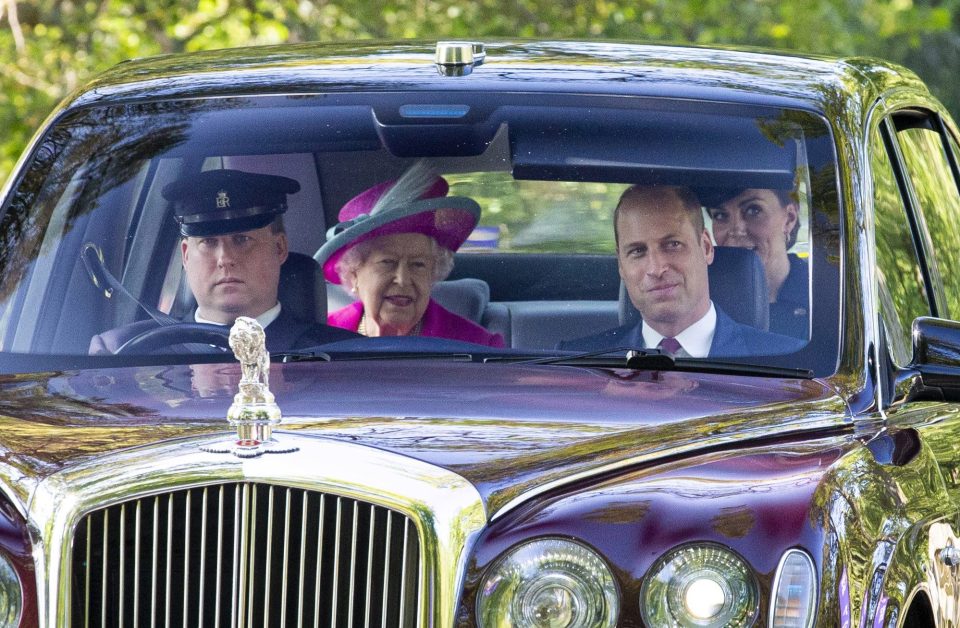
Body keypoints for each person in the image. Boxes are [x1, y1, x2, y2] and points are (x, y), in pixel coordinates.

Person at [90, 169, 357, 354]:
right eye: (208, 242)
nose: (225, 259)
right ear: (185, 255)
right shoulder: (122, 352)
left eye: (242, 240)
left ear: (279, 248)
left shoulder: (345, 358)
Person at [560, 185, 804, 356]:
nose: (656, 268)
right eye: (637, 252)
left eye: (672, 245)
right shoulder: (576, 362)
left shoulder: (789, 359)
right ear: (621, 266)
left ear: (706, 247)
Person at [316, 163, 504, 347]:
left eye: (418, 264)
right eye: (388, 262)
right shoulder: (319, 337)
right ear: (354, 273)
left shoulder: (479, 346)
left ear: (433, 273)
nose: (403, 280)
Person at [703, 188, 808, 339]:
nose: (736, 230)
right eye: (720, 215)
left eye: (753, 210)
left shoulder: (828, 298)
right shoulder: (698, 297)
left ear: (789, 219)